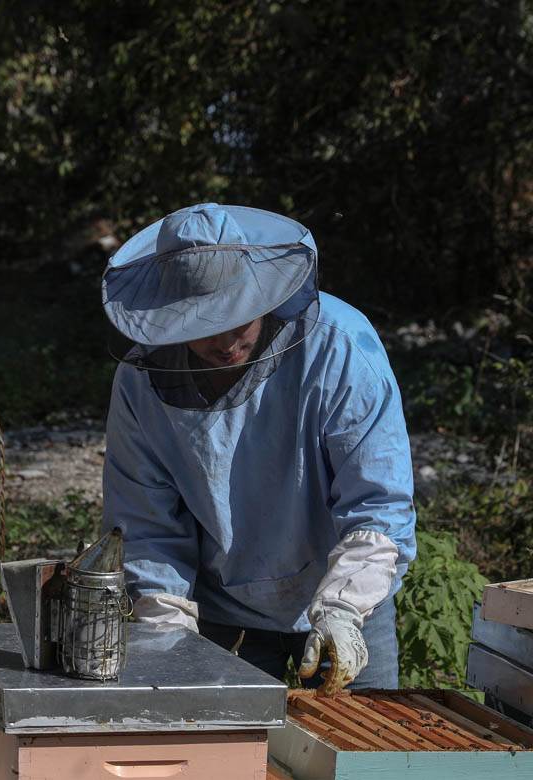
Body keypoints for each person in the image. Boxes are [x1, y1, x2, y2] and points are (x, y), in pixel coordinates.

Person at [101, 203, 416, 692]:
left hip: (350, 602)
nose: (225, 342)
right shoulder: (140, 383)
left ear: (260, 294)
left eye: (236, 318)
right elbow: (146, 523)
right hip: (222, 610)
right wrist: (165, 629)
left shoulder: (341, 348)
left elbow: (378, 502)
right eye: (202, 325)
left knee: (364, 762)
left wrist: (343, 608)